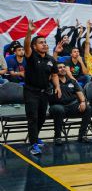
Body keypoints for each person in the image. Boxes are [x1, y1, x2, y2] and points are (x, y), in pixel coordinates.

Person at [23, 21, 61, 155]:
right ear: (34, 46)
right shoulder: (30, 56)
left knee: (42, 118)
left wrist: (57, 87)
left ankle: (35, 137)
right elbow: (26, 45)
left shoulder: (51, 59)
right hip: (31, 92)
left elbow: (55, 74)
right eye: (41, 42)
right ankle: (33, 145)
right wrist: (29, 32)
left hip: (45, 92)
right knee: (33, 118)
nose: (44, 44)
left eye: (45, 42)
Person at [48, 62, 91, 145]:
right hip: (57, 106)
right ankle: (57, 136)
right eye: (60, 67)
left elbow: (80, 93)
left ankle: (82, 135)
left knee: (88, 108)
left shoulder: (72, 81)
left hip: (72, 105)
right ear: (55, 70)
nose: (63, 69)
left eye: (64, 67)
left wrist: (82, 102)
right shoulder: (51, 82)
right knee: (58, 109)